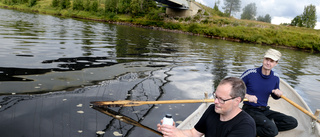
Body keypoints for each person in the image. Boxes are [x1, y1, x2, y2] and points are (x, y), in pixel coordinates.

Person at [157, 77, 256, 137]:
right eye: (215, 96)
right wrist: (174, 131)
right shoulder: (212, 110)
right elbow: (194, 133)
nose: (215, 101)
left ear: (237, 101)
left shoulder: (245, 126)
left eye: (221, 99)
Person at [240, 48, 298, 137]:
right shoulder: (250, 73)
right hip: (249, 109)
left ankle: (256, 126)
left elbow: (275, 96)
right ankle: (249, 129)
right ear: (263, 59)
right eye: (267, 59)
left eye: (272, 61)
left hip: (264, 110)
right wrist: (247, 95)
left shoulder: (275, 77)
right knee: (273, 131)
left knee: (292, 122)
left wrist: (278, 94)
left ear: (276, 63)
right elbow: (234, 89)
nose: (268, 63)